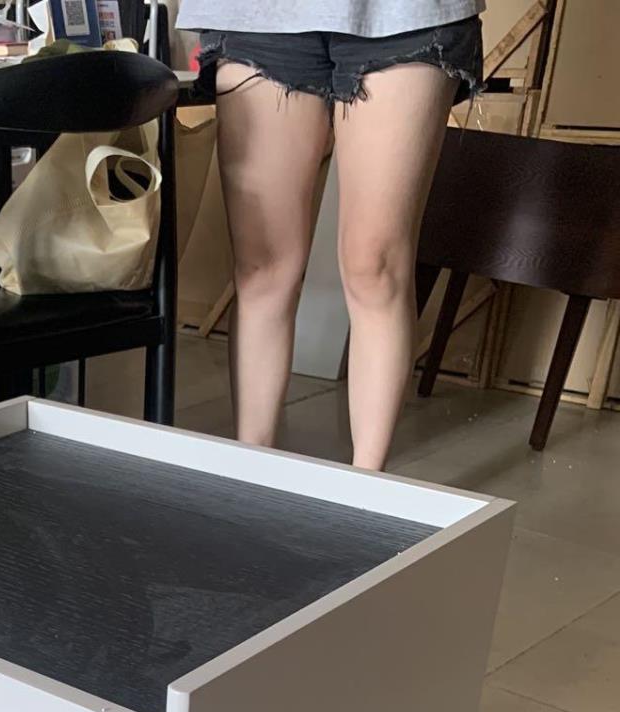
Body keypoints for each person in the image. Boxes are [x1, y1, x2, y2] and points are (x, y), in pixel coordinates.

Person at [177, 2, 485, 469]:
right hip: (258, 15)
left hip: (406, 15)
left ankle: (366, 487)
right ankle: (248, 474)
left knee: (374, 267)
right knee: (262, 269)